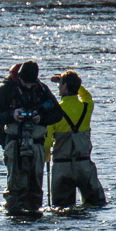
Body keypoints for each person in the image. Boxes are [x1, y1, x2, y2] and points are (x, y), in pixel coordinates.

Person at [0, 61, 64, 216]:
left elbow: (58, 113)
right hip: (14, 143)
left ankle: (34, 211)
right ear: (18, 77)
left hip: (37, 145)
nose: (29, 87)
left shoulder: (42, 89)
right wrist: (12, 115)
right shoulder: (6, 90)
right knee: (15, 185)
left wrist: (41, 118)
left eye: (31, 83)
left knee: (35, 184)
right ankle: (14, 213)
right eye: (25, 83)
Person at [44, 71, 105, 207]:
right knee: (96, 205)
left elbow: (47, 142)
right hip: (84, 165)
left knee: (62, 209)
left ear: (65, 86)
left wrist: (46, 158)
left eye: (60, 84)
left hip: (62, 166)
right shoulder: (86, 106)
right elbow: (86, 95)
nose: (58, 87)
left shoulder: (54, 112)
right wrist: (76, 85)